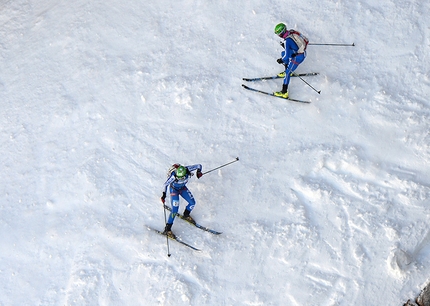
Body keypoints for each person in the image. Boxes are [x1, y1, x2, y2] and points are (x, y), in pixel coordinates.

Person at [160, 164, 203, 238]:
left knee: (192, 203)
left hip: (183, 188)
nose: (178, 178)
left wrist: (198, 172)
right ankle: (167, 229)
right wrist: (164, 195)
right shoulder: (173, 176)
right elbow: (165, 185)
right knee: (175, 210)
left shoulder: (188, 169)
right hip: (174, 190)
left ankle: (186, 214)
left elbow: (199, 165)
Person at [274, 22, 309, 99]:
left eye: (278, 34)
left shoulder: (287, 41)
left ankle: (284, 92)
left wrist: (281, 60)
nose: (278, 36)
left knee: (287, 73)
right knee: (282, 53)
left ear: (281, 33)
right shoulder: (291, 32)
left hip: (298, 57)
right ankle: (288, 70)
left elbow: (286, 56)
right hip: (298, 53)